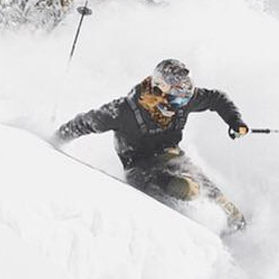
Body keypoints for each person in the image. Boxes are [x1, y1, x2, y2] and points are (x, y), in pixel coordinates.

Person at [49, 59, 250, 233]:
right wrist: (55, 141)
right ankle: (192, 231)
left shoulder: (184, 101)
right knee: (186, 188)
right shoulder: (123, 111)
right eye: (177, 98)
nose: (181, 104)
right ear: (159, 90)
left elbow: (217, 98)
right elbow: (84, 123)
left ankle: (235, 230)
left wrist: (235, 121)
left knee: (221, 203)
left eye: (185, 98)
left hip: (172, 156)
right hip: (139, 168)